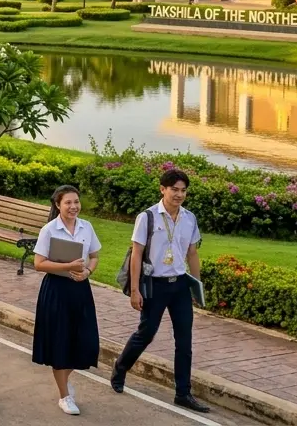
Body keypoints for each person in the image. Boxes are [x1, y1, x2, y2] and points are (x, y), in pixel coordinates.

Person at [111, 169, 210, 413]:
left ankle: (183, 393)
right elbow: (136, 254)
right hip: (154, 285)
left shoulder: (189, 218)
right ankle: (120, 368)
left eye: (183, 190)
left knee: (184, 340)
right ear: (162, 189)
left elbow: (192, 253)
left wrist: (197, 287)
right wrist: (135, 290)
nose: (179, 194)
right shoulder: (148, 217)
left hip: (180, 286)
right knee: (146, 333)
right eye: (174, 189)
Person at [32, 185, 102, 416]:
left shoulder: (86, 227)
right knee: (60, 340)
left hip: (80, 288)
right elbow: (39, 263)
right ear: (57, 205)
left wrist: (88, 272)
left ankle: (65, 380)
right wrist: (68, 266)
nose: (73, 207)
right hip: (56, 290)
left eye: (76, 202)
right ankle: (64, 395)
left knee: (84, 340)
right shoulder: (49, 230)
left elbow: (94, 256)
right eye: (68, 203)